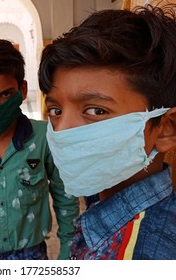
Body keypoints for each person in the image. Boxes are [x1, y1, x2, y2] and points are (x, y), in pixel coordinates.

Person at [38, 5, 176, 260]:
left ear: (166, 128)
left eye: (96, 111)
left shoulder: (143, 255)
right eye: (55, 110)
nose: (62, 131)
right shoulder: (101, 203)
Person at [0, 39, 79, 260]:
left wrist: (68, 250)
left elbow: (64, 197)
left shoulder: (44, 138)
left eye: (5, 94)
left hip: (30, 254)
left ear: (23, 89)